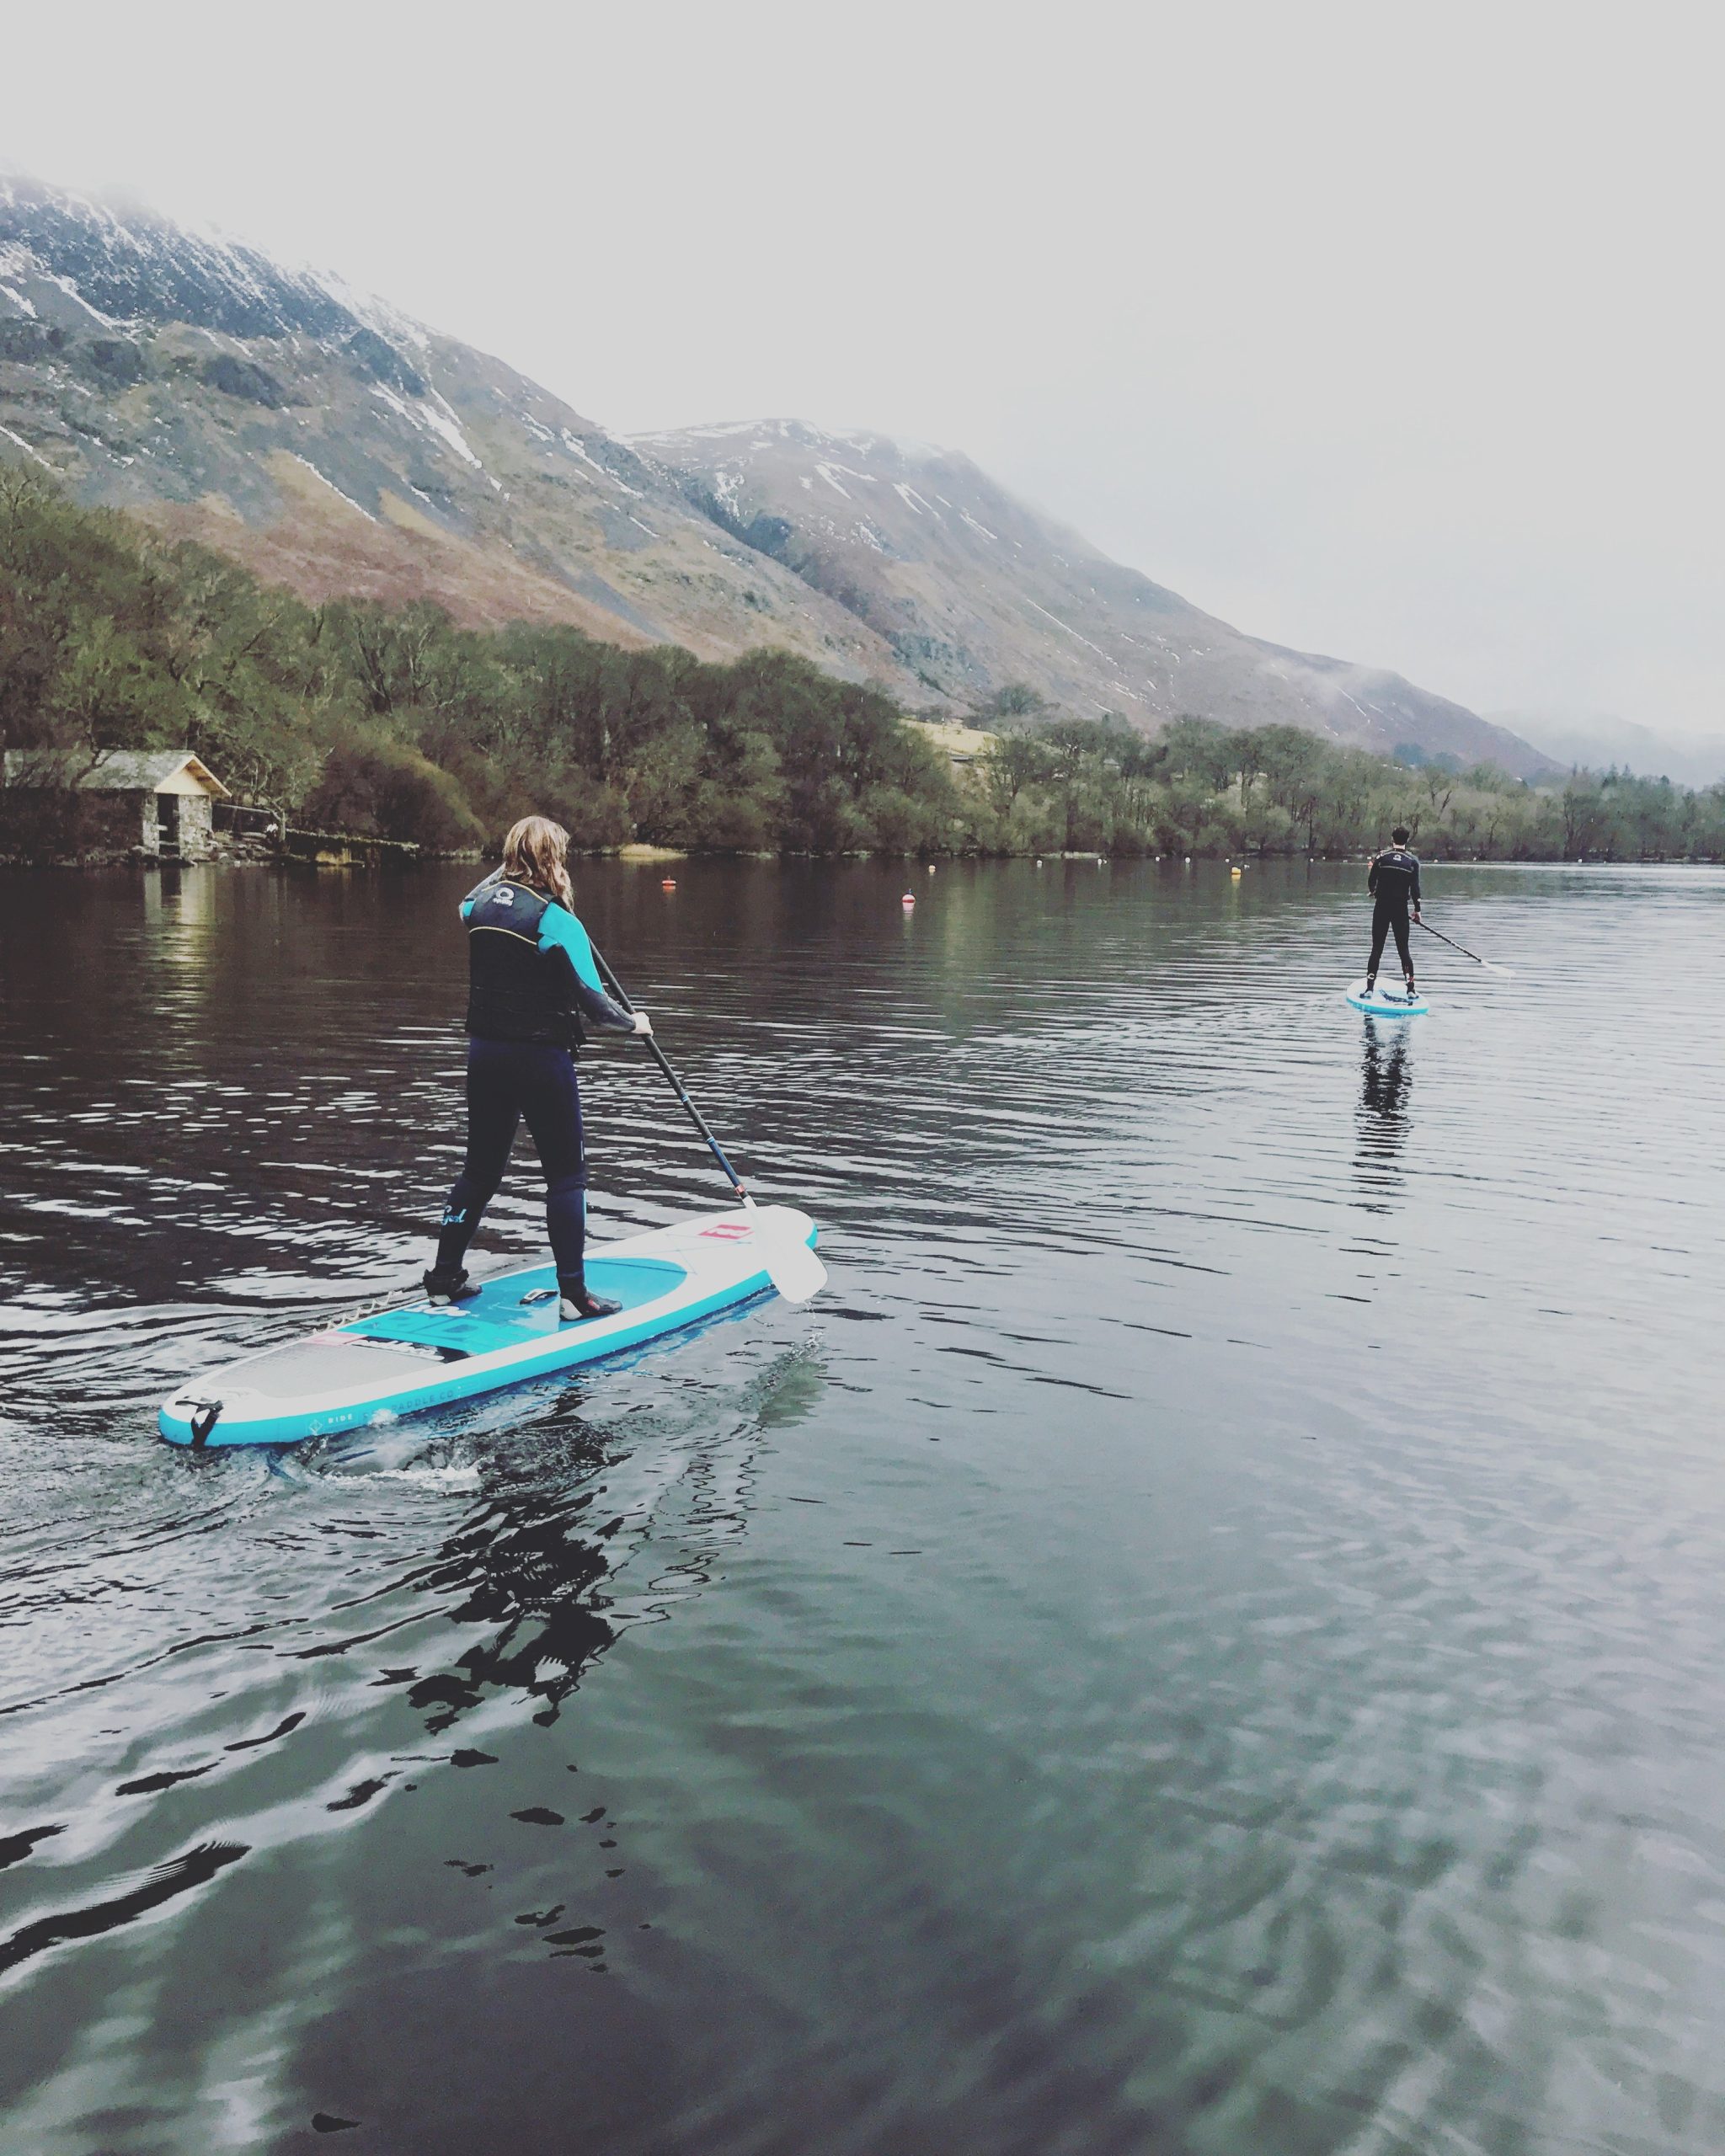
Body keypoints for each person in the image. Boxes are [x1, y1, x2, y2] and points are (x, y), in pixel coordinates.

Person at [424, 815, 652, 1321]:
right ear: (555, 859)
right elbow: (595, 1005)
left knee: (479, 1171)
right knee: (566, 1178)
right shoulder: (559, 922)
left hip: (485, 1056)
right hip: (540, 1059)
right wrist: (633, 1022)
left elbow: (474, 895)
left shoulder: (476, 908)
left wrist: (510, 866)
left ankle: (442, 1281)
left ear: (510, 856)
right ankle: (574, 1297)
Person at [1365, 825, 1422, 1000]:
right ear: (1407, 840)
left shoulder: (1382, 857)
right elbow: (1415, 890)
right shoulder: (1412, 862)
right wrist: (1417, 911)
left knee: (1377, 948)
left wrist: (1373, 891)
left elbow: (1371, 880)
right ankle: (1410, 989)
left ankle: (1369, 989)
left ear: (1392, 839)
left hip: (1382, 907)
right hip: (1400, 910)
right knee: (1404, 950)